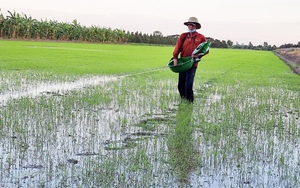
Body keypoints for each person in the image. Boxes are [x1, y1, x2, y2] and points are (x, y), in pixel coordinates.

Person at [172, 17, 209, 103]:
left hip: (193, 63)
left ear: (196, 26)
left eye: (192, 25)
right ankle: (183, 101)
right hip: (183, 63)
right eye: (189, 24)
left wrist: (198, 55)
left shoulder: (201, 37)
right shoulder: (183, 36)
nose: (190, 26)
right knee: (180, 85)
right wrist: (175, 60)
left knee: (188, 86)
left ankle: (189, 103)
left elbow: (206, 50)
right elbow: (177, 48)